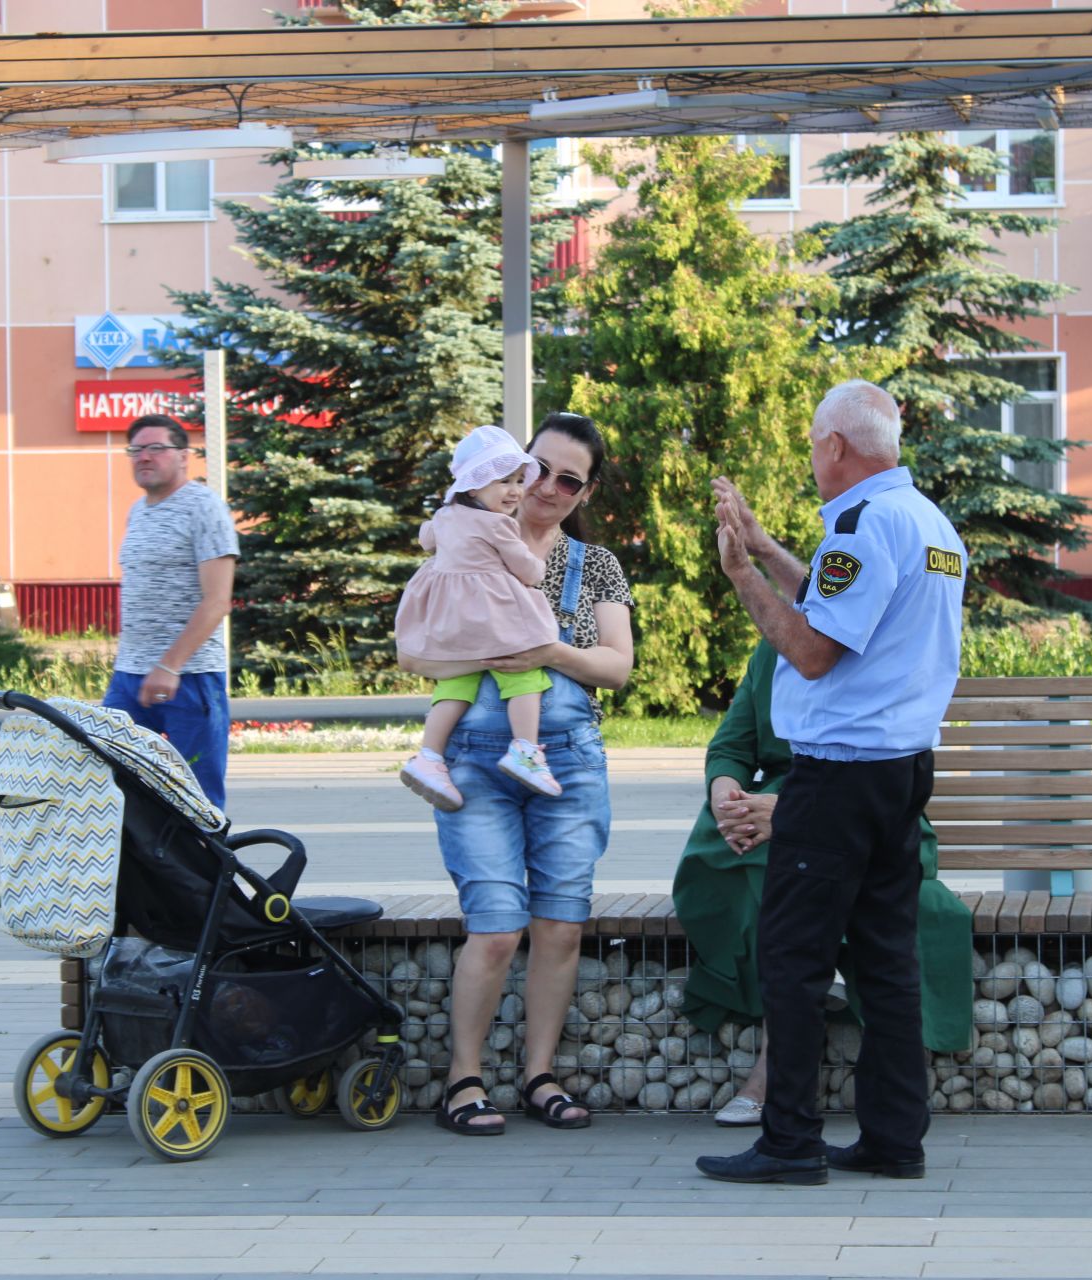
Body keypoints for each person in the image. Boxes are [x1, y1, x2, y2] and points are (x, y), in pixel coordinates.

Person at [696, 380, 965, 1186]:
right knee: (885, 956)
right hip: (901, 772)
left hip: (841, 776)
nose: (813, 456)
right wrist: (770, 544)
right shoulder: (925, 520)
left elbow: (814, 649)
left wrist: (743, 573)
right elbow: (844, 595)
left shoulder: (863, 520)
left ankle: (790, 1141)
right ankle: (893, 1137)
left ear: (836, 446)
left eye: (815, 442)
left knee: (793, 956)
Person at [397, 412, 634, 1136]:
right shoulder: (459, 540)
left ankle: (539, 1076)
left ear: (584, 491)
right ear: (513, 465)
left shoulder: (593, 566)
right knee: (496, 927)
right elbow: (416, 653)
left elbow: (617, 667)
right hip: (473, 762)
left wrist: (543, 649)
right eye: (541, 469)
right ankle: (463, 1081)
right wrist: (483, 654)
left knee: (560, 926)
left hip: (566, 761)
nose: (550, 488)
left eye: (572, 480)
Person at [673, 637, 974, 1129]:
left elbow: (875, 761)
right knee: (732, 861)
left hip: (861, 808)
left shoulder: (878, 653)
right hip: (762, 813)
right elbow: (730, 745)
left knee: (798, 867)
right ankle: (815, 982)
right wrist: (727, 795)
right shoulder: (772, 651)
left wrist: (792, 811)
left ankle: (774, 1068)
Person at [396, 426, 567, 810]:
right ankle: (524, 751)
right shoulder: (498, 525)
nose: (514, 490)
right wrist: (538, 563)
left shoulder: (445, 516)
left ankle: (430, 757)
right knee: (524, 674)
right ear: (473, 487)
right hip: (490, 616)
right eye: (502, 481)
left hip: (450, 620)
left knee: (457, 683)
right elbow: (526, 569)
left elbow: (427, 539)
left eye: (518, 481)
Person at [101, 413, 239, 808]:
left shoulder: (204, 508)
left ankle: (205, 869)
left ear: (183, 456)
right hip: (129, 678)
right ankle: (140, 870)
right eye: (136, 450)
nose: (144, 457)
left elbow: (217, 601)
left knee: (195, 797)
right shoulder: (137, 511)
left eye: (156, 448)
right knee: (113, 783)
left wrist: (170, 665)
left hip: (189, 679)